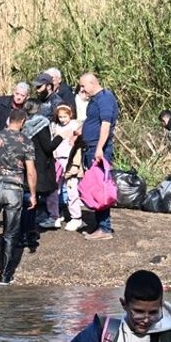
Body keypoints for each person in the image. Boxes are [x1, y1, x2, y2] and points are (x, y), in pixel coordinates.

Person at [0, 108, 37, 285]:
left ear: (8, 120)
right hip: (15, 189)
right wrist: (33, 194)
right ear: (22, 122)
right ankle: (4, 276)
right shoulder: (26, 142)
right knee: (10, 234)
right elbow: (31, 172)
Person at [77, 72, 120, 240]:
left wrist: (100, 148)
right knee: (94, 186)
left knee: (100, 187)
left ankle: (104, 228)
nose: (81, 89)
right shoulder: (95, 100)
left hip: (99, 148)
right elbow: (93, 122)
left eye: (83, 86)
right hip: (91, 146)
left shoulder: (105, 98)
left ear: (92, 83)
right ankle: (100, 225)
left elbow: (106, 124)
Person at [27, 103, 64, 233]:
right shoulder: (41, 125)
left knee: (32, 193)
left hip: (30, 162)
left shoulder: (25, 125)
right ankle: (52, 217)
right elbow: (48, 147)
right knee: (49, 191)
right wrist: (60, 137)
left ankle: (31, 222)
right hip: (42, 163)